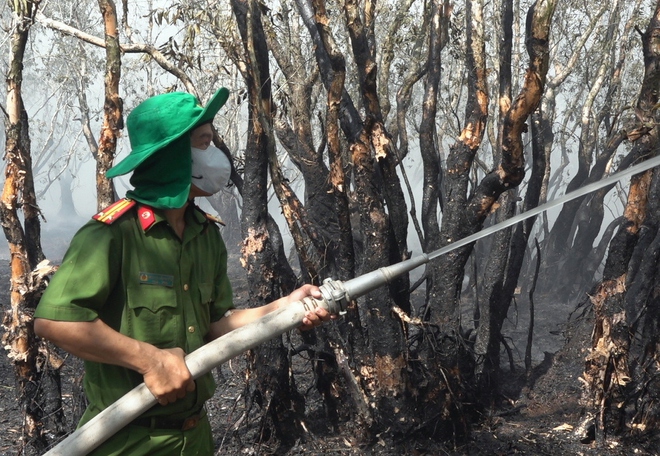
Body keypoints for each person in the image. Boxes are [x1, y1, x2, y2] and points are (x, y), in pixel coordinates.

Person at [34, 88, 332, 455]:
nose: (216, 154)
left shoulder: (204, 234)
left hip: (195, 436)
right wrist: (150, 360)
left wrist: (284, 307)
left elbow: (216, 324)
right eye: (205, 142)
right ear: (173, 154)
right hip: (129, 439)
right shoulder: (112, 235)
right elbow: (55, 322)